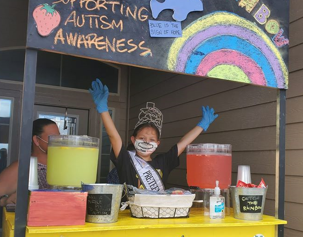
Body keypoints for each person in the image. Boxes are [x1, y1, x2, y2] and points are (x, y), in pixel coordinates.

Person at [89, 79, 218, 191]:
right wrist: (104, 110)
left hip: (157, 215)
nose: (146, 141)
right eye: (142, 138)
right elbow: (114, 137)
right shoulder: (126, 160)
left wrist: (201, 125)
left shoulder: (163, 162)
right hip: (131, 216)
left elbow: (183, 144)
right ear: (133, 140)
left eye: (151, 139)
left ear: (157, 143)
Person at [0, 119, 60, 210]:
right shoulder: (23, 167)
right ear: (37, 140)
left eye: (59, 137)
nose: (58, 141)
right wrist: (4, 201)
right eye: (53, 137)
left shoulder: (62, 165)